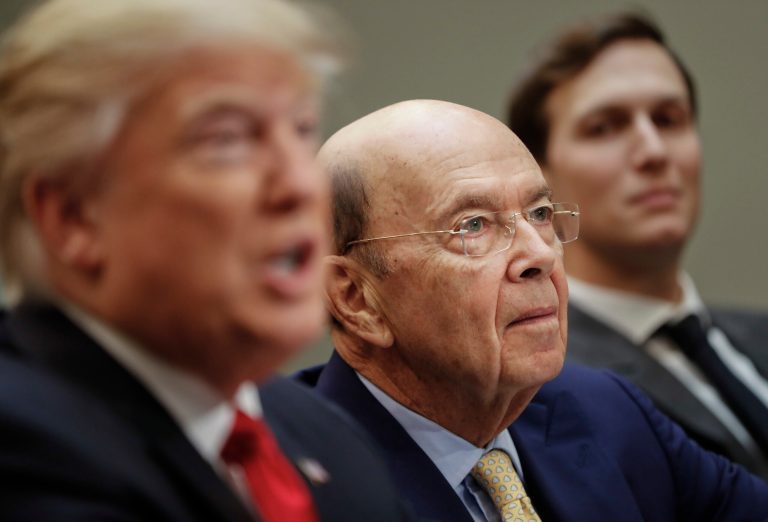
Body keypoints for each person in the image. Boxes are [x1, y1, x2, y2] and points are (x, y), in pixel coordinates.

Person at [0, 0, 413, 520]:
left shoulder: (327, 438)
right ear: (74, 217)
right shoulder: (23, 453)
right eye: (228, 139)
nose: (302, 184)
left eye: (302, 129)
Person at [295, 99, 768, 522]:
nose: (539, 255)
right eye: (473, 225)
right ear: (355, 297)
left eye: (540, 213)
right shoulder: (297, 480)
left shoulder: (610, 413)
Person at [506, 12, 768, 477]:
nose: (653, 151)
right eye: (604, 127)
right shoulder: (538, 386)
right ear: (537, 179)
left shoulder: (757, 334)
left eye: (669, 119)